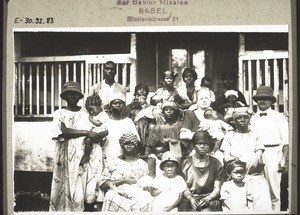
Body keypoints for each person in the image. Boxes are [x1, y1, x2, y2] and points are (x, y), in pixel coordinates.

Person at [49, 81, 106, 212]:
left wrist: (95, 136)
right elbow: (62, 131)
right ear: (65, 97)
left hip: (87, 154)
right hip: (68, 154)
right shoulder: (60, 113)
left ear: (79, 97)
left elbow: (97, 129)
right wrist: (86, 132)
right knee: (69, 187)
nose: (73, 98)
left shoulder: (86, 113)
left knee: (87, 189)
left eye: (75, 95)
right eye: (70, 95)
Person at [221, 107, 272, 211]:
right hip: (238, 176)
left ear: (249, 119)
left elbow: (259, 151)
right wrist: (239, 161)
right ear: (234, 121)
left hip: (254, 175)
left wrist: (256, 158)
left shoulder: (254, 134)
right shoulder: (229, 135)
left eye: (246, 117)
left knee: (261, 197)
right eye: (239, 118)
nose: (243, 120)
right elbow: (226, 157)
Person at [250, 86, 289, 211]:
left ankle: (276, 212)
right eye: (259, 99)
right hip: (257, 154)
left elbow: (285, 140)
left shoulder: (279, 117)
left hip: (273, 153)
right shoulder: (253, 118)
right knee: (257, 188)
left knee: (274, 190)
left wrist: (283, 158)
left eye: (265, 99)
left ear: (271, 101)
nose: (261, 101)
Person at [100, 133, 153, 212]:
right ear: (121, 146)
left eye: (132, 144)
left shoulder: (142, 163)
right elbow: (103, 185)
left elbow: (146, 182)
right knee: (110, 195)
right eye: (126, 144)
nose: (129, 146)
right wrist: (124, 181)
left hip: (136, 195)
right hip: (117, 194)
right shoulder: (112, 161)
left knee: (147, 196)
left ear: (135, 146)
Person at [179, 130, 224, 212]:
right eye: (199, 144)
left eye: (205, 144)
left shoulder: (216, 163)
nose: (202, 146)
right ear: (194, 145)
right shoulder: (185, 163)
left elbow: (217, 188)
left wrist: (208, 198)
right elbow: (183, 187)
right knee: (184, 206)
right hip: (190, 198)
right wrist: (191, 199)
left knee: (214, 206)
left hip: (210, 198)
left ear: (209, 146)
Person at [101, 93, 140, 160]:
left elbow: (136, 141)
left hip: (124, 158)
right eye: (115, 103)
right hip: (107, 156)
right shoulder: (105, 121)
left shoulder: (128, 122)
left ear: (124, 105)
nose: (118, 105)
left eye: (120, 103)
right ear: (110, 106)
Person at [179, 87, 215, 156]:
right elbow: (182, 135)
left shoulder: (216, 115)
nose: (204, 101)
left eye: (206, 98)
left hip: (212, 150)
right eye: (201, 98)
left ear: (211, 100)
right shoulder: (191, 114)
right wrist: (201, 135)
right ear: (197, 101)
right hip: (194, 149)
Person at [80, 94, 109, 166]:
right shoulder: (96, 115)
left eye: (92, 109)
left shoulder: (103, 114)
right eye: (89, 110)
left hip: (103, 132)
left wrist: (90, 119)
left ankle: (87, 155)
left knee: (88, 140)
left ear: (99, 106)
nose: (91, 112)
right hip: (98, 132)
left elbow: (98, 123)